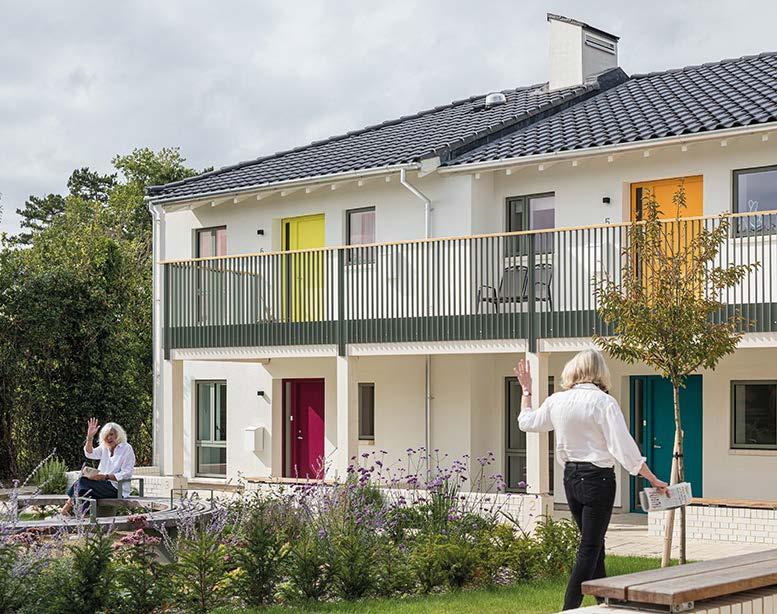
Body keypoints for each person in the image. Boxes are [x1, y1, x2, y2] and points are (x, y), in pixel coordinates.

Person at [515, 349, 668, 611]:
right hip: (598, 480)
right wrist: (652, 478)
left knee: (595, 541)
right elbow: (624, 448)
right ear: (600, 372)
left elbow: (527, 422)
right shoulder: (604, 403)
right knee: (590, 545)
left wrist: (526, 391)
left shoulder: (557, 401)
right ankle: (569, 608)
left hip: (571, 479)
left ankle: (604, 600)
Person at [60, 418, 136, 516]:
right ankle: (84, 517)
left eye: (111, 434)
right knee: (84, 491)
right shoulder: (105, 447)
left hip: (117, 488)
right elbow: (89, 453)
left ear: (118, 435)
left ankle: (65, 510)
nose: (109, 438)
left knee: (82, 482)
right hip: (102, 484)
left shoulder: (126, 448)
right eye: (106, 436)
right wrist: (90, 437)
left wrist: (105, 477)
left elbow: (126, 473)